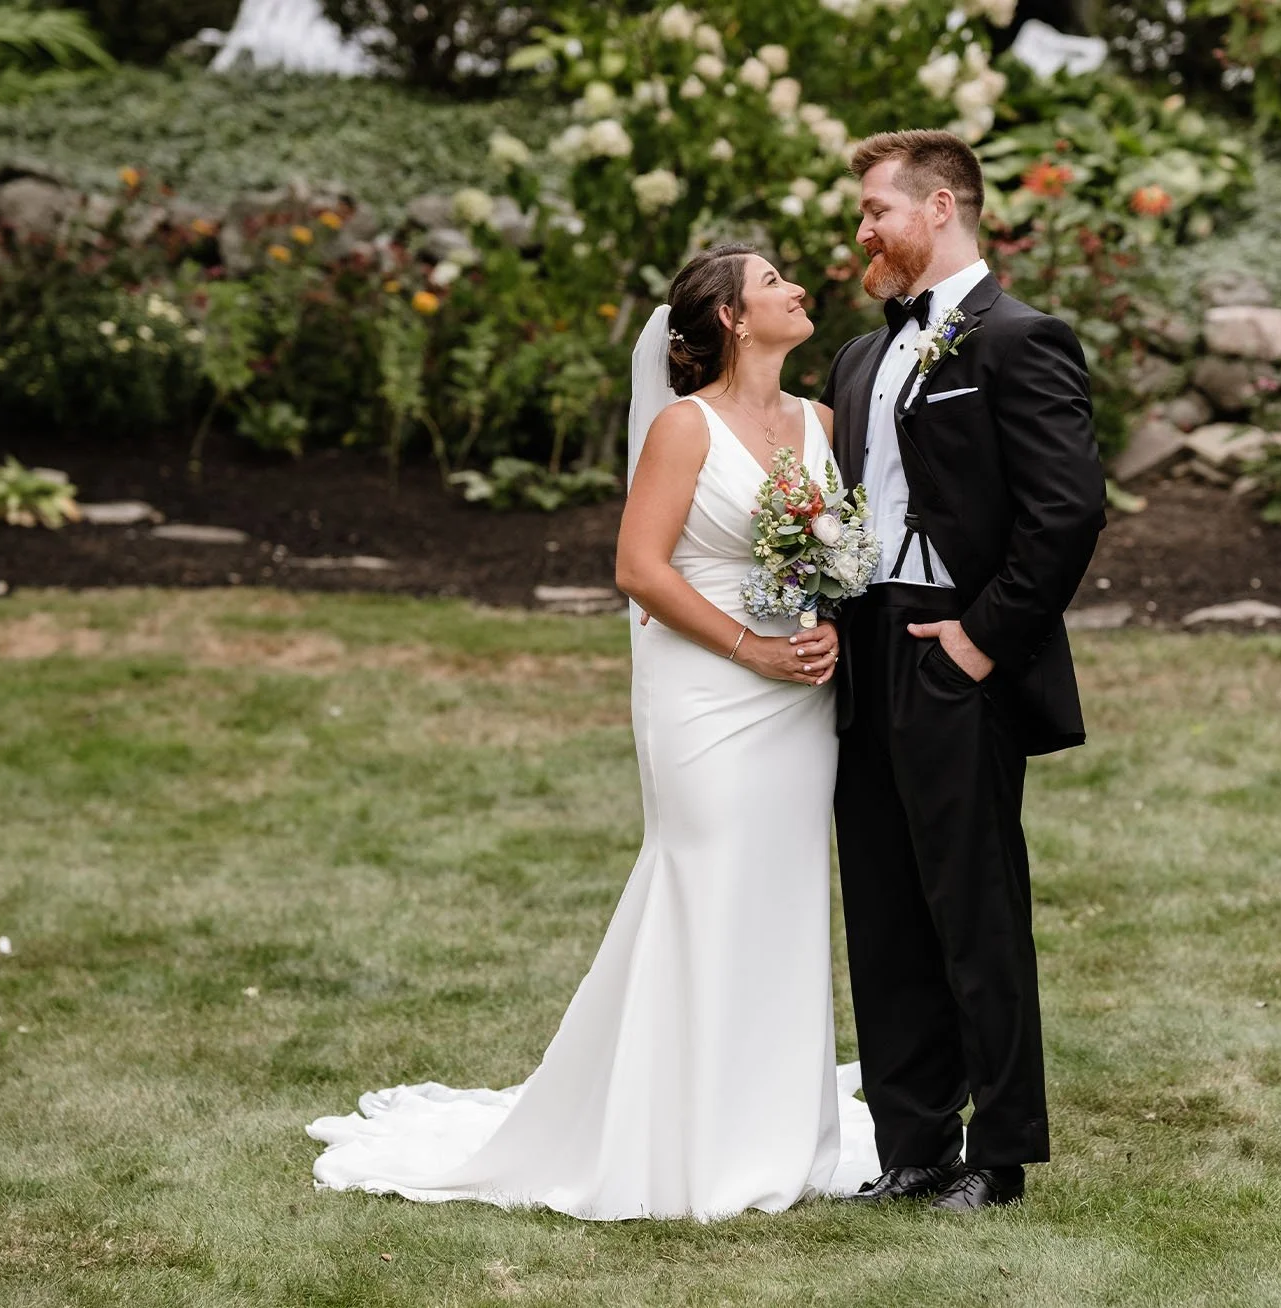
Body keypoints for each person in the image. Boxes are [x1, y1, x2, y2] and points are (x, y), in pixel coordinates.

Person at [306, 244, 881, 1220]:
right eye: (772, 282)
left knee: (780, 893)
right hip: (708, 690)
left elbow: (830, 552)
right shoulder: (682, 429)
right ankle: (676, 1132)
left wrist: (822, 621)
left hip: (797, 696)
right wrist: (752, 648)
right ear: (734, 321)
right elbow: (639, 569)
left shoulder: (821, 421)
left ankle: (772, 1124)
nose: (795, 290)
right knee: (703, 880)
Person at [821, 130, 1105, 1211]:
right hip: (865, 650)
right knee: (885, 905)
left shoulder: (1018, 340)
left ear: (938, 207)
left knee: (974, 904)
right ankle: (912, 1148)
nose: (862, 232)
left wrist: (983, 638)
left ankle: (1000, 1154)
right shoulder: (858, 355)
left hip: (957, 648)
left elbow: (1066, 511)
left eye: (875, 211)